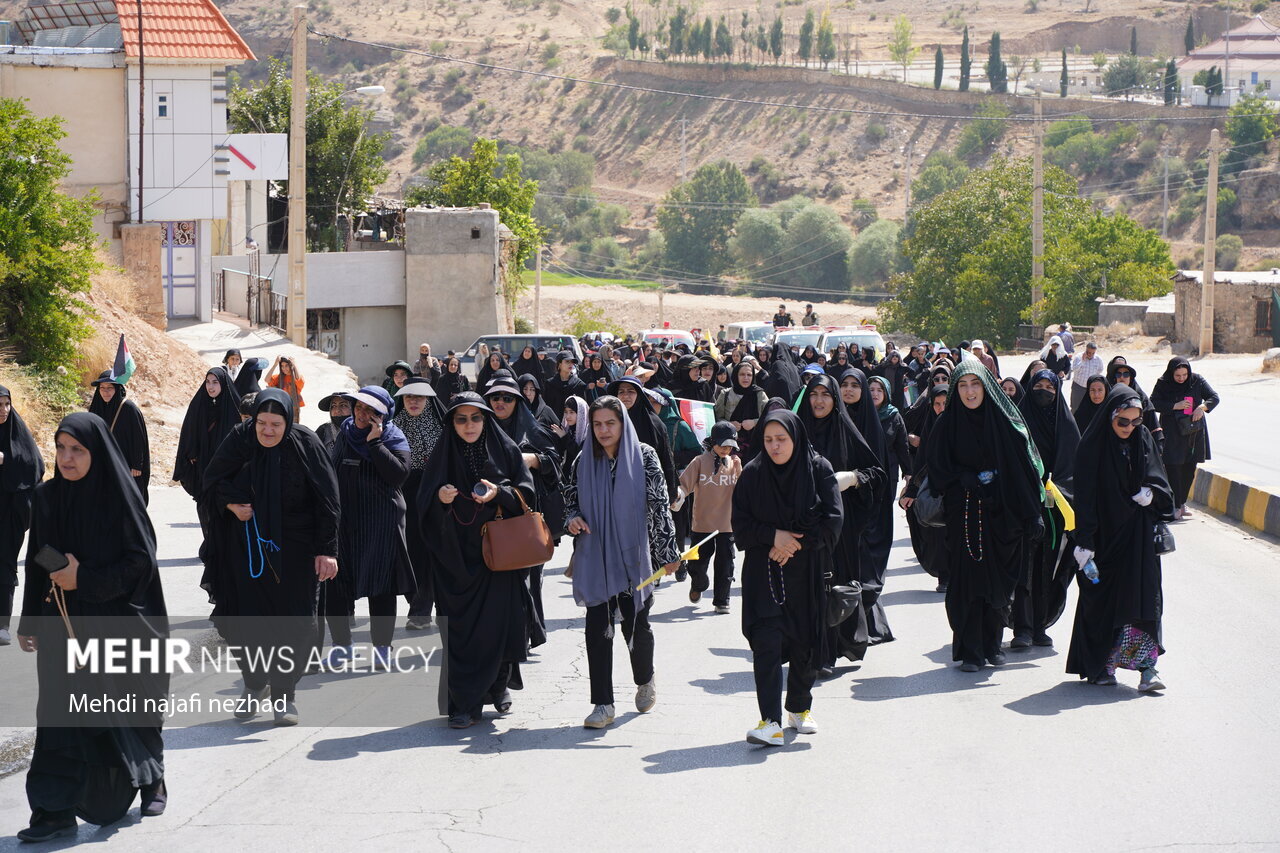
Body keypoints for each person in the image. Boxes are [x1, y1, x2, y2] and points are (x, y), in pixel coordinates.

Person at [17, 414, 169, 840]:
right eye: (61, 448)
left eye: (77, 450)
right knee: (59, 717)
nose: (66, 458)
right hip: (63, 623)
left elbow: (140, 561)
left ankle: (151, 779)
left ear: (96, 452)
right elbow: (38, 556)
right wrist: (34, 613)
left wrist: (86, 578)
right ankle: (54, 810)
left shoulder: (121, 498)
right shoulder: (47, 497)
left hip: (120, 621)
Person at [200, 389, 340, 725]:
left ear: (288, 421)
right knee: (247, 623)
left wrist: (327, 551)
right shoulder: (240, 439)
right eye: (261, 422)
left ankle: (283, 695)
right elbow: (211, 482)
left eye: (276, 424)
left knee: (294, 625)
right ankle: (253, 686)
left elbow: (328, 501)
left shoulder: (305, 444)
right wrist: (230, 504)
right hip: (246, 549)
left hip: (296, 551)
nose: (267, 431)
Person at [418, 393, 539, 728]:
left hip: (499, 558)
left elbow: (527, 495)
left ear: (486, 420)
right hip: (454, 562)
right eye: (461, 419)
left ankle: (497, 686)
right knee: (460, 633)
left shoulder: (506, 450)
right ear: (451, 423)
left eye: (475, 418)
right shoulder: (440, 457)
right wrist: (439, 500)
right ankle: (463, 703)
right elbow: (422, 507)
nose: (469, 425)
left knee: (498, 627)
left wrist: (498, 493)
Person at [565, 396, 681, 729]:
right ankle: (603, 704)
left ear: (623, 423)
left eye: (610, 423)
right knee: (597, 629)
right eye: (597, 424)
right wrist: (572, 519)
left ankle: (644, 677)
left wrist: (668, 552)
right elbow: (570, 500)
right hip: (595, 555)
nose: (603, 430)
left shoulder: (644, 456)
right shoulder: (582, 460)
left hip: (634, 557)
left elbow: (659, 506)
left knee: (636, 626)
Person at [926, 358, 1044, 671]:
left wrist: (1033, 514)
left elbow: (1024, 470)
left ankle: (993, 645)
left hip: (1001, 517)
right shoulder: (947, 423)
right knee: (967, 584)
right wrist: (960, 477)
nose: (969, 391)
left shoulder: (1005, 421)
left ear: (986, 386)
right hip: (963, 516)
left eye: (975, 384)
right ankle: (971, 651)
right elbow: (936, 470)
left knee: (998, 584)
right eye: (962, 385)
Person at [733, 410, 842, 746]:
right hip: (763, 573)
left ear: (796, 438)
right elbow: (740, 525)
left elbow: (833, 519)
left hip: (806, 572)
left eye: (781, 439)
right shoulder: (753, 474)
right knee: (766, 644)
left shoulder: (818, 469)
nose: (775, 447)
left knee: (804, 641)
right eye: (768, 440)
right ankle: (770, 721)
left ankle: (798, 706)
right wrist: (773, 536)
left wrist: (793, 544)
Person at [1066, 385, 1173, 691]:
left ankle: (1147, 669)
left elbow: (1162, 483)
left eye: (1135, 421)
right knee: (1102, 603)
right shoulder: (1091, 449)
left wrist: (1152, 493)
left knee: (1145, 600)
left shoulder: (1144, 441)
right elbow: (1084, 500)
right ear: (1109, 418)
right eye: (1122, 422)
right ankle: (1102, 665)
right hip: (1104, 540)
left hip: (1139, 539)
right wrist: (1083, 543)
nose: (1129, 428)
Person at [325, 387, 414, 669]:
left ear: (383, 414)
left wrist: (375, 444)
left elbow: (398, 475)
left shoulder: (393, 437)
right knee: (336, 584)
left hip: (380, 521)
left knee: (381, 586)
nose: (363, 415)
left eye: (371, 411)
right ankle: (342, 646)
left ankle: (382, 650)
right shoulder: (347, 432)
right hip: (345, 522)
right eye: (359, 407)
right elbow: (332, 470)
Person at [802, 373, 884, 666]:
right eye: (814, 394)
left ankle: (834, 649)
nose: (819, 400)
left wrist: (853, 478)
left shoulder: (845, 430)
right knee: (810, 589)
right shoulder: (797, 431)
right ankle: (815, 652)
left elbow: (876, 472)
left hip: (841, 526)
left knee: (835, 586)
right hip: (805, 525)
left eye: (825, 394)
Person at [483, 377, 564, 636]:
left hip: (525, 515)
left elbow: (556, 464)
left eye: (507, 398)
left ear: (517, 401)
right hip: (490, 515)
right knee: (494, 575)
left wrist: (535, 459)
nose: (500, 403)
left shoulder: (534, 430)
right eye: (495, 398)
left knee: (528, 577)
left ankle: (530, 629)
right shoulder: (480, 428)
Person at [1014, 369, 1080, 650]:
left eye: (1049, 387)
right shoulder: (1017, 422)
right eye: (1038, 386)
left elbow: (1074, 467)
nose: (1044, 391)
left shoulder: (1064, 424)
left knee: (1046, 568)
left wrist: (1056, 488)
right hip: (1023, 505)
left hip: (1054, 507)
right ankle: (1022, 628)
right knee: (1022, 567)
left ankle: (1040, 625)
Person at [837, 368, 893, 647]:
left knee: (867, 567)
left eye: (854, 385)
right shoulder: (833, 419)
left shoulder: (872, 424)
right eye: (844, 384)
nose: (848, 390)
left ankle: (870, 624)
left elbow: (880, 470)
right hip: (838, 506)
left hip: (869, 503)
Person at [394, 379, 447, 632]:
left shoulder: (442, 426)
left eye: (419, 397)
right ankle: (418, 603)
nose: (413, 402)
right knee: (408, 554)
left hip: (435, 495)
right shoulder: (393, 426)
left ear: (428, 400)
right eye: (408, 398)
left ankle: (421, 610)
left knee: (429, 554)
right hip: (402, 495)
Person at [675, 422, 742, 613]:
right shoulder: (699, 461)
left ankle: (722, 600)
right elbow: (684, 485)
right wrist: (677, 496)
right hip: (702, 524)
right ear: (712, 442)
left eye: (730, 445)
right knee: (697, 562)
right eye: (722, 444)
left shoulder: (735, 463)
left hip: (727, 524)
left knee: (725, 564)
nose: (725, 449)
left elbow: (742, 490)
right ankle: (698, 584)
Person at [172, 369, 242, 543]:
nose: (210, 387)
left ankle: (224, 545)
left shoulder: (233, 406)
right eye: (208, 382)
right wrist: (192, 453)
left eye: (215, 382)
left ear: (223, 384)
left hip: (226, 468)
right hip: (203, 464)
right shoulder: (199, 403)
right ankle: (210, 543)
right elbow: (189, 431)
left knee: (224, 505)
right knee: (205, 504)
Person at [1150, 356, 1219, 520]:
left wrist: (1202, 408)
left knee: (1189, 469)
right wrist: (1175, 406)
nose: (1181, 379)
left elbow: (1214, 397)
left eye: (1184, 375)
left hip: (1192, 433)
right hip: (1172, 432)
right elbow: (1153, 402)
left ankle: (1181, 503)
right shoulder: (1163, 383)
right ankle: (1174, 505)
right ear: (1171, 373)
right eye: (1177, 375)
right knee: (1173, 468)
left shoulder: (1197, 380)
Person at [0, 386, 44, 645]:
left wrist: (8, 459)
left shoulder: (17, 432)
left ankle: (3, 623)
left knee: (5, 563)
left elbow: (35, 465)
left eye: (6, 404)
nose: (4, 410)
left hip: (10, 515)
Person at [900, 386, 950, 591]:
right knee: (937, 534)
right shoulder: (931, 424)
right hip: (935, 489)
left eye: (945, 403)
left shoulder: (961, 423)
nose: (940, 408)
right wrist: (911, 490)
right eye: (936, 404)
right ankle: (945, 577)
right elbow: (922, 460)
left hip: (959, 489)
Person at [606, 376, 678, 502]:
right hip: (614, 490)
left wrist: (671, 492)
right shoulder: (608, 422)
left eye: (631, 391)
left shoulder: (654, 424)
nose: (625, 396)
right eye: (621, 392)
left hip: (647, 492)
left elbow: (666, 458)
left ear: (639, 394)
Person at [88, 370, 150, 505]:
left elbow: (138, 439)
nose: (105, 392)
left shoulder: (128, 408)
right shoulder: (96, 408)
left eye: (110, 388)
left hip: (126, 466)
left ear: (117, 388)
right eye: (102, 388)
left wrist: (136, 465)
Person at [715, 362, 768, 463]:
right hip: (729, 445)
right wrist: (729, 425)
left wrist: (754, 422)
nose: (746, 378)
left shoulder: (760, 394)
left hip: (755, 445)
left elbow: (769, 417)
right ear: (735, 375)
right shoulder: (725, 394)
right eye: (742, 374)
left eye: (749, 375)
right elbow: (717, 417)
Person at [265, 355, 305, 420]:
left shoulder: (296, 378)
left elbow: (298, 379)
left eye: (286, 366)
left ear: (290, 366)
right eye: (282, 366)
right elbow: (267, 380)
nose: (284, 368)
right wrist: (275, 365)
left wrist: (294, 365)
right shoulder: (279, 377)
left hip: (293, 408)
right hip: (281, 406)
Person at [1068, 341, 1103, 409]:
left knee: (1089, 407)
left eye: (1093, 353)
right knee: (1075, 407)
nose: (1090, 355)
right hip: (1078, 387)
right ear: (1086, 349)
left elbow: (1100, 370)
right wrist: (1083, 361)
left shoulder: (1098, 359)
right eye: (1089, 352)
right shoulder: (1078, 357)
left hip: (1090, 388)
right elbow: (1074, 369)